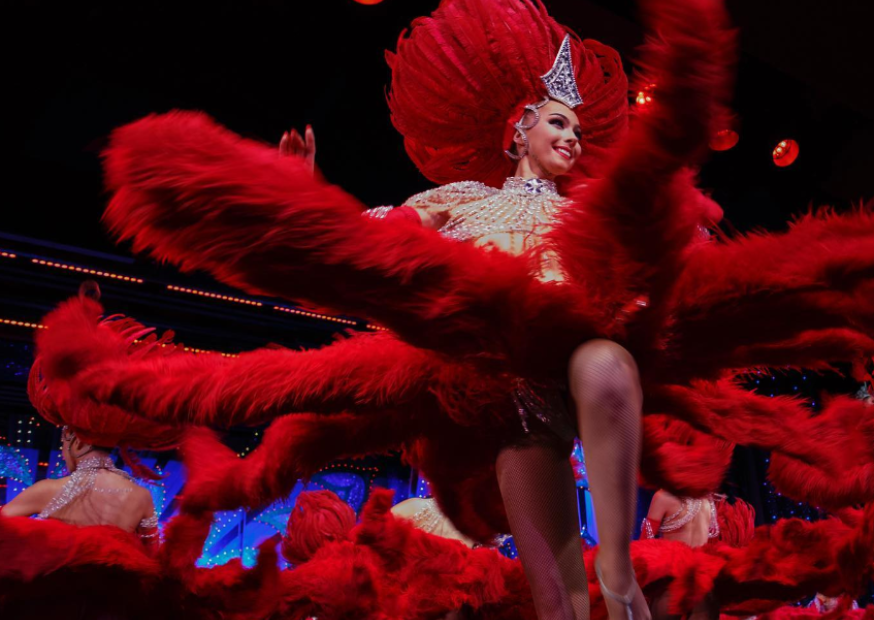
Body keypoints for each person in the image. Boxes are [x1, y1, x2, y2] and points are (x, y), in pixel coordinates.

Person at [0, 425, 159, 549]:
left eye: (62, 445)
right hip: (112, 589)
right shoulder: (142, 497)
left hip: (55, 588)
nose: (62, 454)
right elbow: (152, 555)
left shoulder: (47, 490)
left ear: (77, 442)